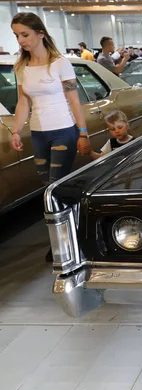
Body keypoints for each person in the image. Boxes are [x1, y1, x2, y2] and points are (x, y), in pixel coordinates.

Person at [10, 13, 92, 260]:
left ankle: (68, 241)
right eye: (16, 35)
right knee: (48, 191)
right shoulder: (21, 66)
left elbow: (73, 100)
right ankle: (61, 238)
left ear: (40, 34)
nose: (20, 40)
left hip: (63, 131)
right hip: (38, 133)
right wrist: (16, 130)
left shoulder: (59, 63)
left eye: (24, 34)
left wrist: (83, 132)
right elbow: (23, 101)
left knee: (56, 188)